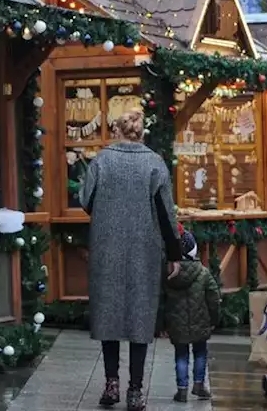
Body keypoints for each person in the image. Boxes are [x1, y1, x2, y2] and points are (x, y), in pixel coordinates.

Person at [79, 110, 183, 411]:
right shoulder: (154, 163)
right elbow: (166, 213)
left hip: (106, 248)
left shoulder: (101, 160)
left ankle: (111, 384)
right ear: (141, 132)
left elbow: (86, 201)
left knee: (107, 315)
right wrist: (174, 254)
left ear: (117, 130)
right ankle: (135, 391)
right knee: (140, 316)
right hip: (144, 249)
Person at [160, 231, 219, 403]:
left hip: (176, 325)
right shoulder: (203, 273)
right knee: (200, 353)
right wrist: (214, 319)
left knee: (181, 355)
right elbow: (213, 298)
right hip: (201, 322)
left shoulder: (169, 274)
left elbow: (161, 301)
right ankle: (199, 385)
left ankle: (182, 389)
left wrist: (162, 325)